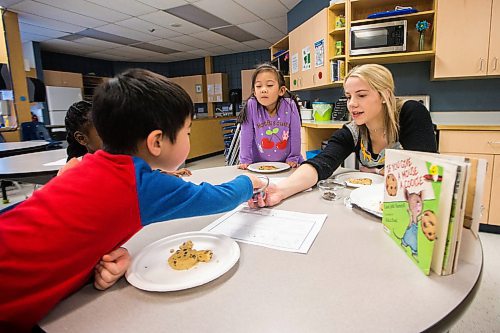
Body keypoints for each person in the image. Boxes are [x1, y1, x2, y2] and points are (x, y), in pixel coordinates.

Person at [0, 68, 264, 332]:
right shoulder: (142, 186)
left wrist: (90, 266)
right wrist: (250, 182)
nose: (189, 138)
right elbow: (219, 198)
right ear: (157, 141)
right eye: (187, 132)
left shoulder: (84, 165)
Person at [252, 63, 437, 207]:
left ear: (384, 96)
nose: (352, 104)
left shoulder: (411, 113)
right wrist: (281, 190)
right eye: (348, 97)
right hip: (372, 203)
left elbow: (424, 172)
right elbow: (322, 163)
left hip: (410, 205)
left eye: (361, 95)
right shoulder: (354, 130)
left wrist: (375, 171)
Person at [63, 100, 191, 176]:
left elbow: (136, 177)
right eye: (104, 132)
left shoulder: (116, 159)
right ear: (81, 138)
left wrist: (166, 174)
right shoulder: (73, 171)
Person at [237, 63, 303, 169]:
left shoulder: (289, 105)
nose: (263, 89)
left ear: (281, 90)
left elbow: (296, 134)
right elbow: (246, 135)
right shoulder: (251, 105)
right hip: (259, 164)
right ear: (254, 92)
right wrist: (245, 160)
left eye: (269, 85)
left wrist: (293, 157)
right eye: (258, 86)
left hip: (288, 162)